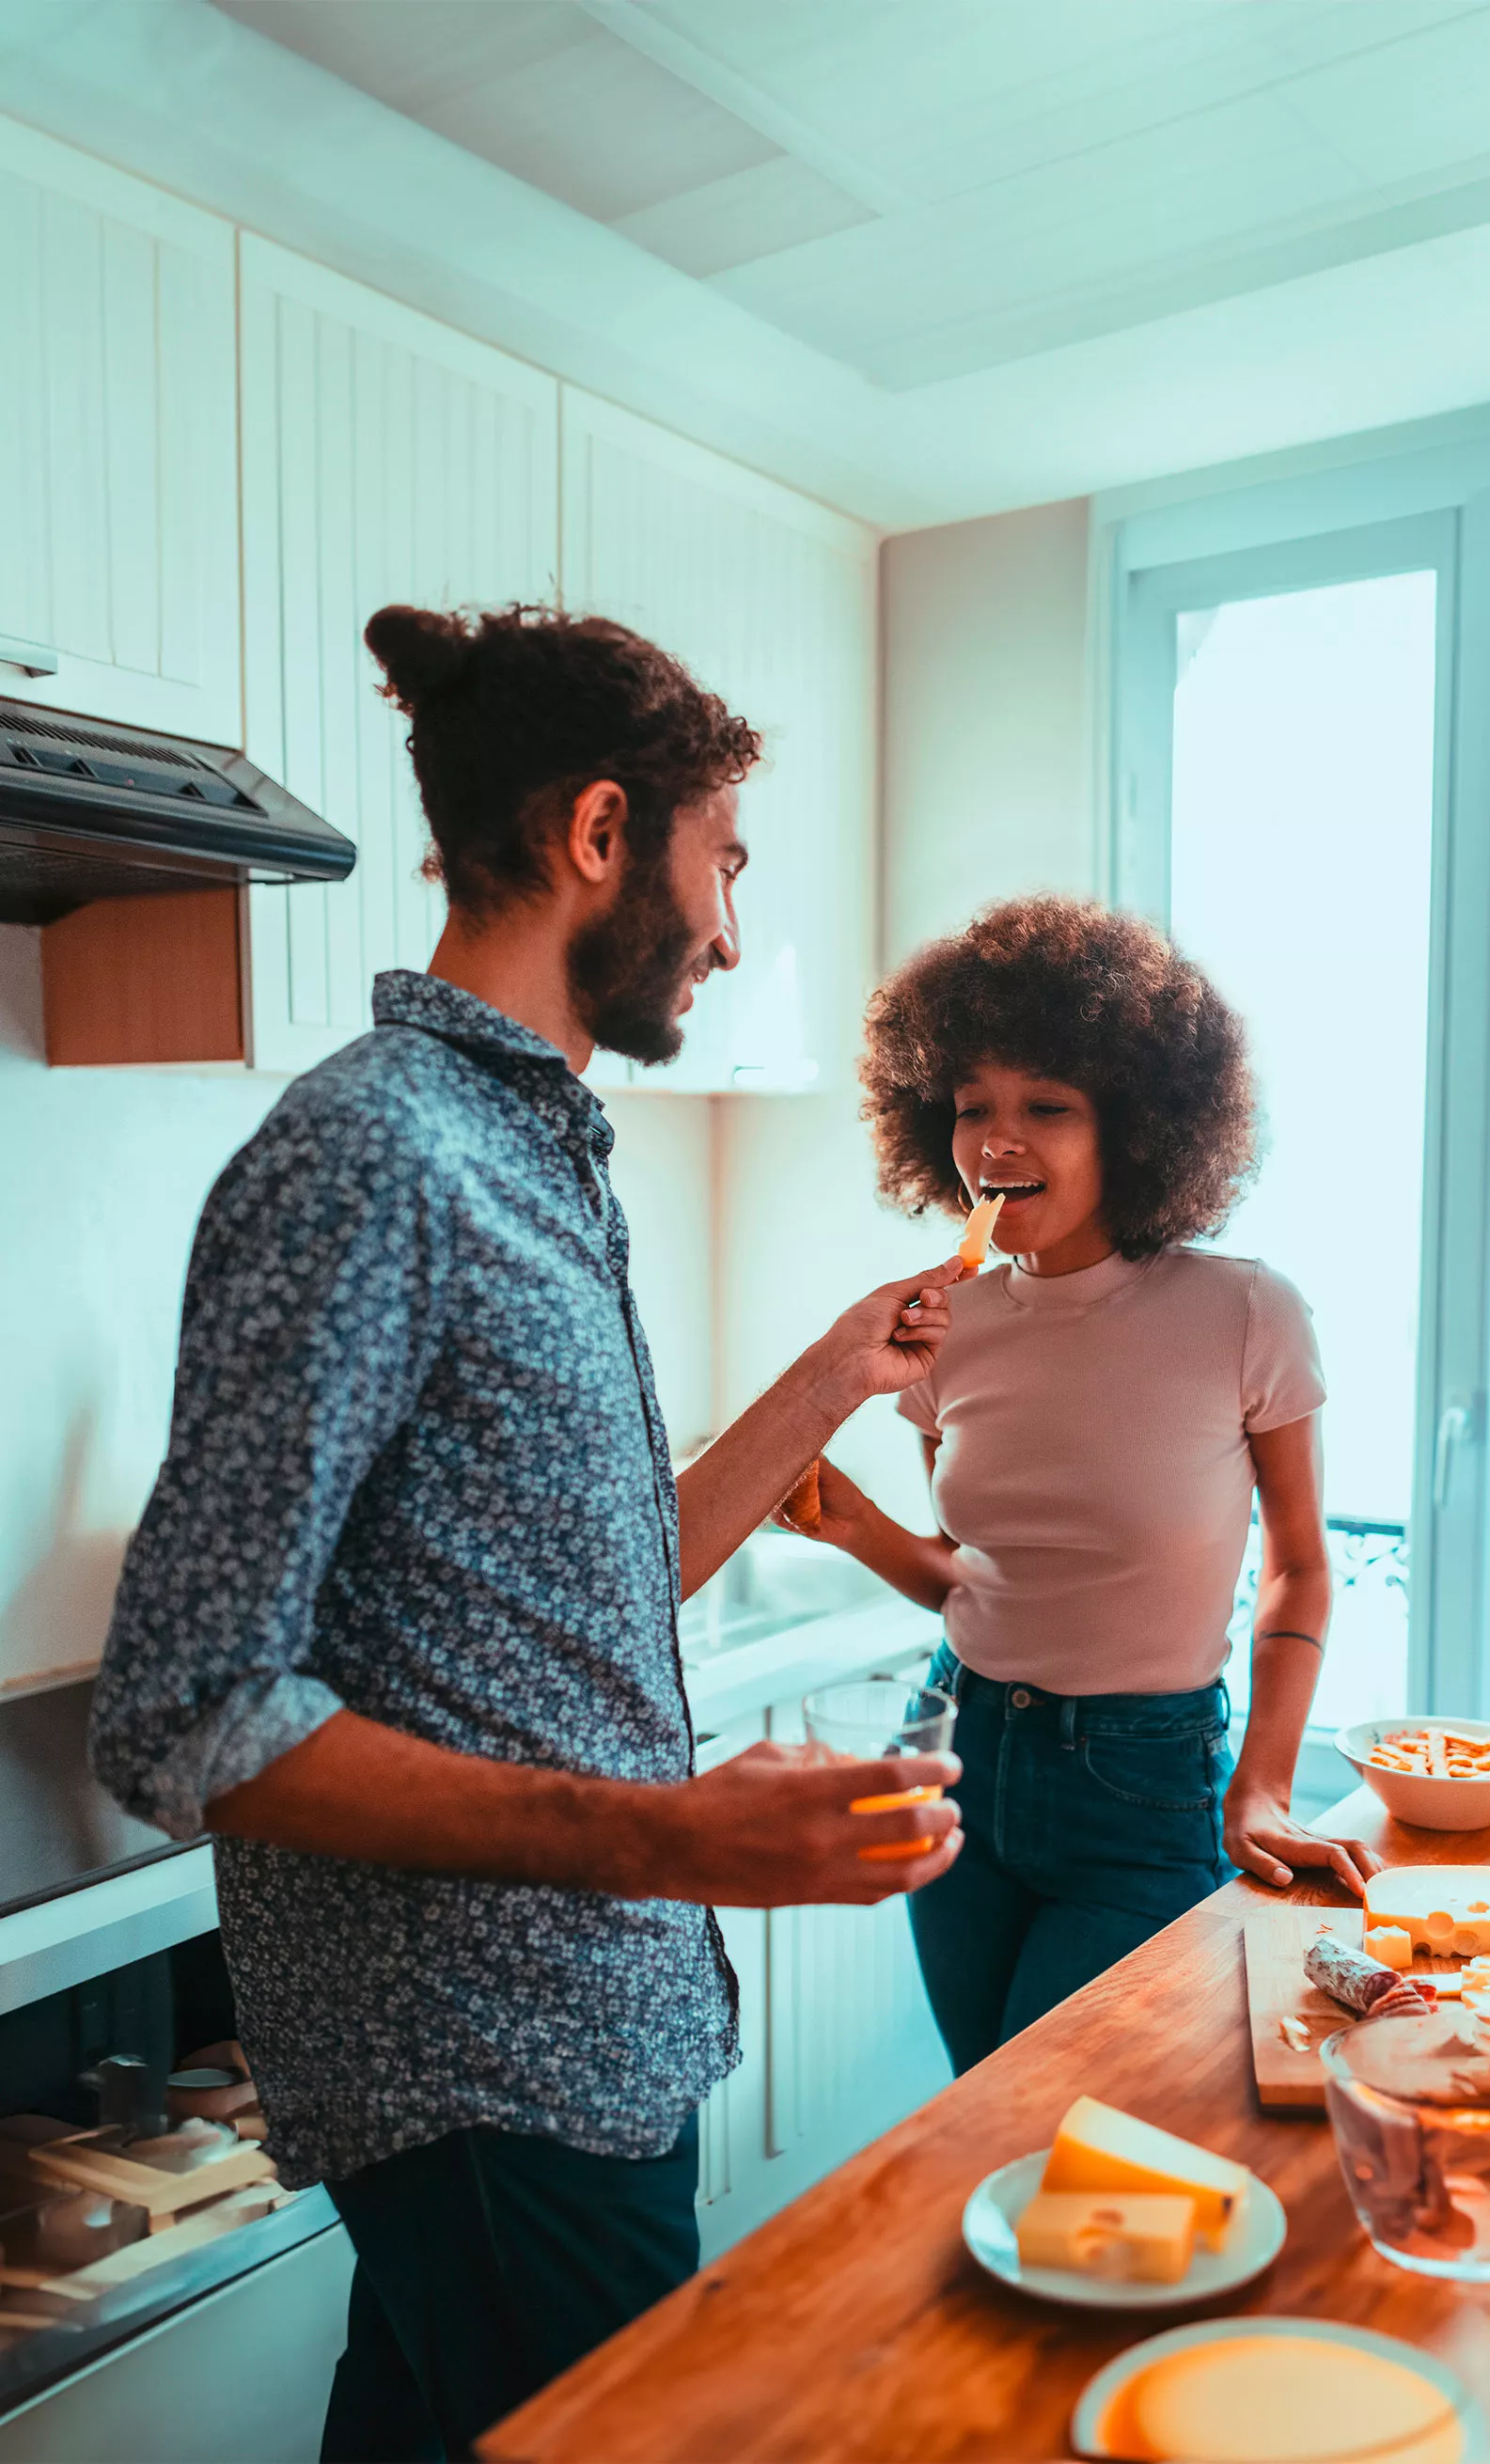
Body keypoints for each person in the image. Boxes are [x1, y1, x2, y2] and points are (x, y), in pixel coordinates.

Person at [88, 604, 965, 2463]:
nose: (731, 925)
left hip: (580, 2030)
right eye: (723, 858)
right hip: (484, 2063)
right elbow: (182, 1708)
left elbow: (589, 1584)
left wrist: (825, 1376)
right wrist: (671, 1828)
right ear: (598, 831)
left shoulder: (529, 1146)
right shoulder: (375, 1154)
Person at [783, 896, 1380, 2075]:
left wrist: (1259, 1786)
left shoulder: (1244, 1312)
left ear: (1139, 1124)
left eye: (1046, 1106)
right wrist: (853, 1524)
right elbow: (976, 1577)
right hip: (956, 1750)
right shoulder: (947, 1328)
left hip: (1142, 1781)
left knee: (1048, 2113)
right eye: (971, 1110)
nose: (997, 1143)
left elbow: (1303, 1563)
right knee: (978, 2113)